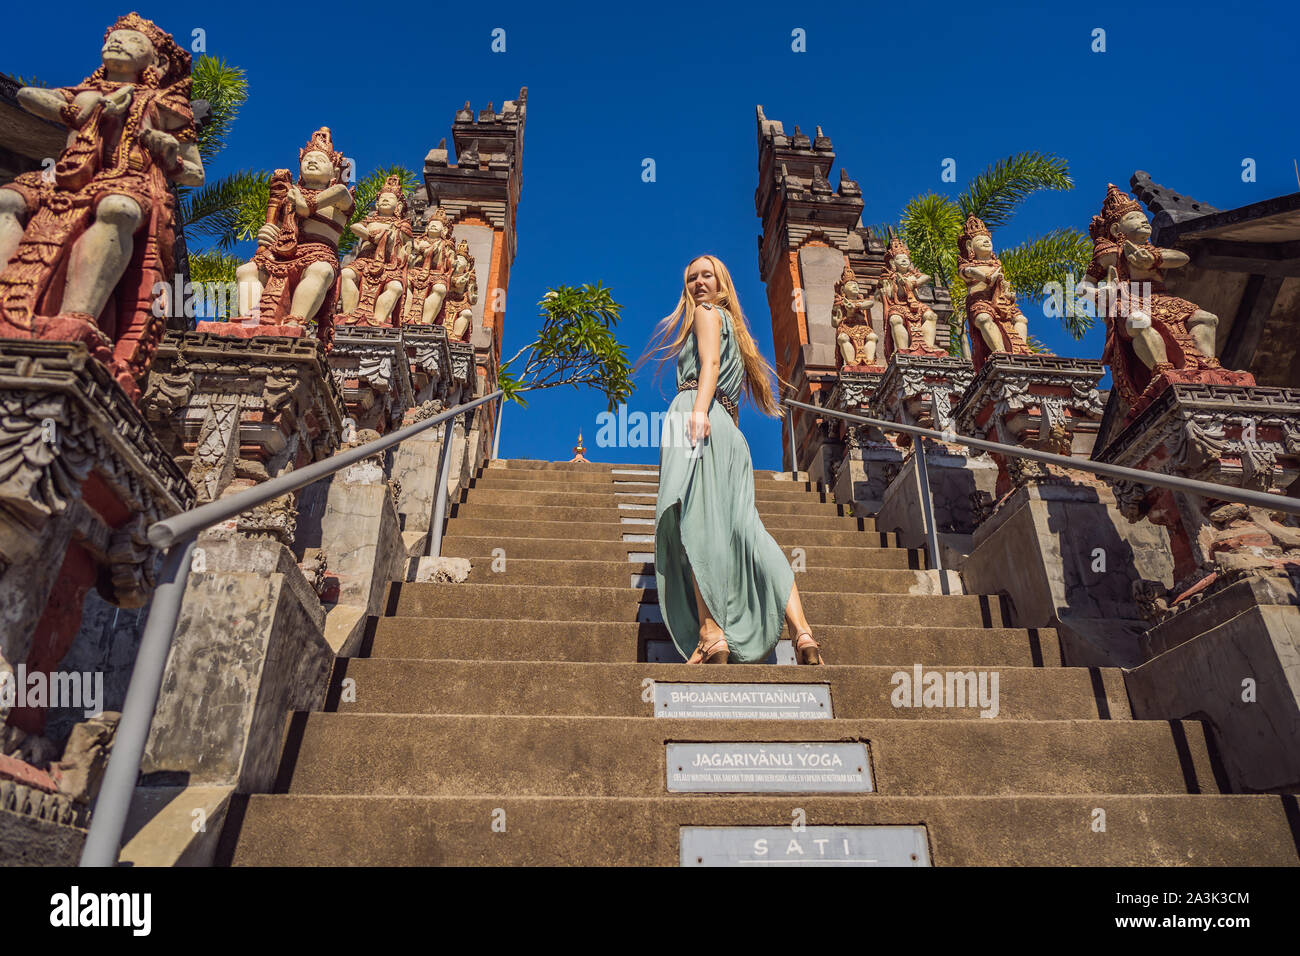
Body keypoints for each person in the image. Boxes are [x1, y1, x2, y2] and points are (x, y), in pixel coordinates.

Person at [636, 254, 823, 665]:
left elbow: (710, 364)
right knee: (746, 531)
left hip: (699, 417)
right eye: (692, 278)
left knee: (692, 521)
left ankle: (712, 634)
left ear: (722, 285)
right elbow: (728, 385)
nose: (699, 283)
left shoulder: (705, 314)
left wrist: (698, 410)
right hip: (730, 434)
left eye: (707, 276)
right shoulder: (737, 331)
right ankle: (803, 632)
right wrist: (718, 421)